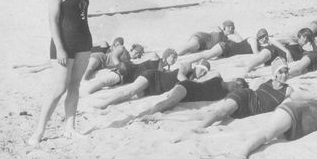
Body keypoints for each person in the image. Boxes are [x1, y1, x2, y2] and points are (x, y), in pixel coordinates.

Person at [28, 0, 158, 146]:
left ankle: (69, 129)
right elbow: (52, 21)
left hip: (83, 42)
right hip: (63, 44)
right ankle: (39, 131)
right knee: (59, 88)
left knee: (74, 86)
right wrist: (60, 48)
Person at [170, 59, 314, 140]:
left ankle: (162, 118)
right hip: (245, 96)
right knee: (218, 113)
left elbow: (299, 97)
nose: (284, 75)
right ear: (275, 74)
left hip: (248, 111)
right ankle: (197, 129)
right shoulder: (266, 81)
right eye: (281, 72)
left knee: (208, 114)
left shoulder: (288, 89)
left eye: (286, 72)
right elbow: (253, 89)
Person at [85, 60, 250, 131]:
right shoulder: (213, 76)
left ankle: (109, 105)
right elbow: (182, 74)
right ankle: (104, 104)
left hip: (156, 90)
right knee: (131, 92)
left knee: (130, 96)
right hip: (156, 77)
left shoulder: (223, 92)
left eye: (238, 87)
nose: (202, 72)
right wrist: (196, 70)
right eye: (202, 69)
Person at [170, 20, 241, 57]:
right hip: (200, 38)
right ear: (224, 27)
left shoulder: (225, 39)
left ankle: (173, 53)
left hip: (202, 46)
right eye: (229, 27)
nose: (230, 29)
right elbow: (212, 28)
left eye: (232, 28)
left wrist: (236, 33)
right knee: (191, 46)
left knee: (189, 50)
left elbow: (241, 43)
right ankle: (172, 54)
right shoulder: (218, 31)